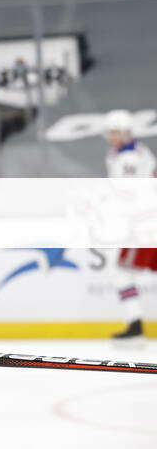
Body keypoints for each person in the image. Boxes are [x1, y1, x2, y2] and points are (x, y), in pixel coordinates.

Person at [103, 109, 156, 340]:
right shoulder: (133, 153)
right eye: (110, 132)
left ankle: (135, 324)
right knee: (122, 271)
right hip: (143, 220)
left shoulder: (129, 159)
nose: (112, 136)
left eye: (115, 132)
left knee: (122, 272)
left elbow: (127, 193)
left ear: (125, 132)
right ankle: (134, 323)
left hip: (144, 223)